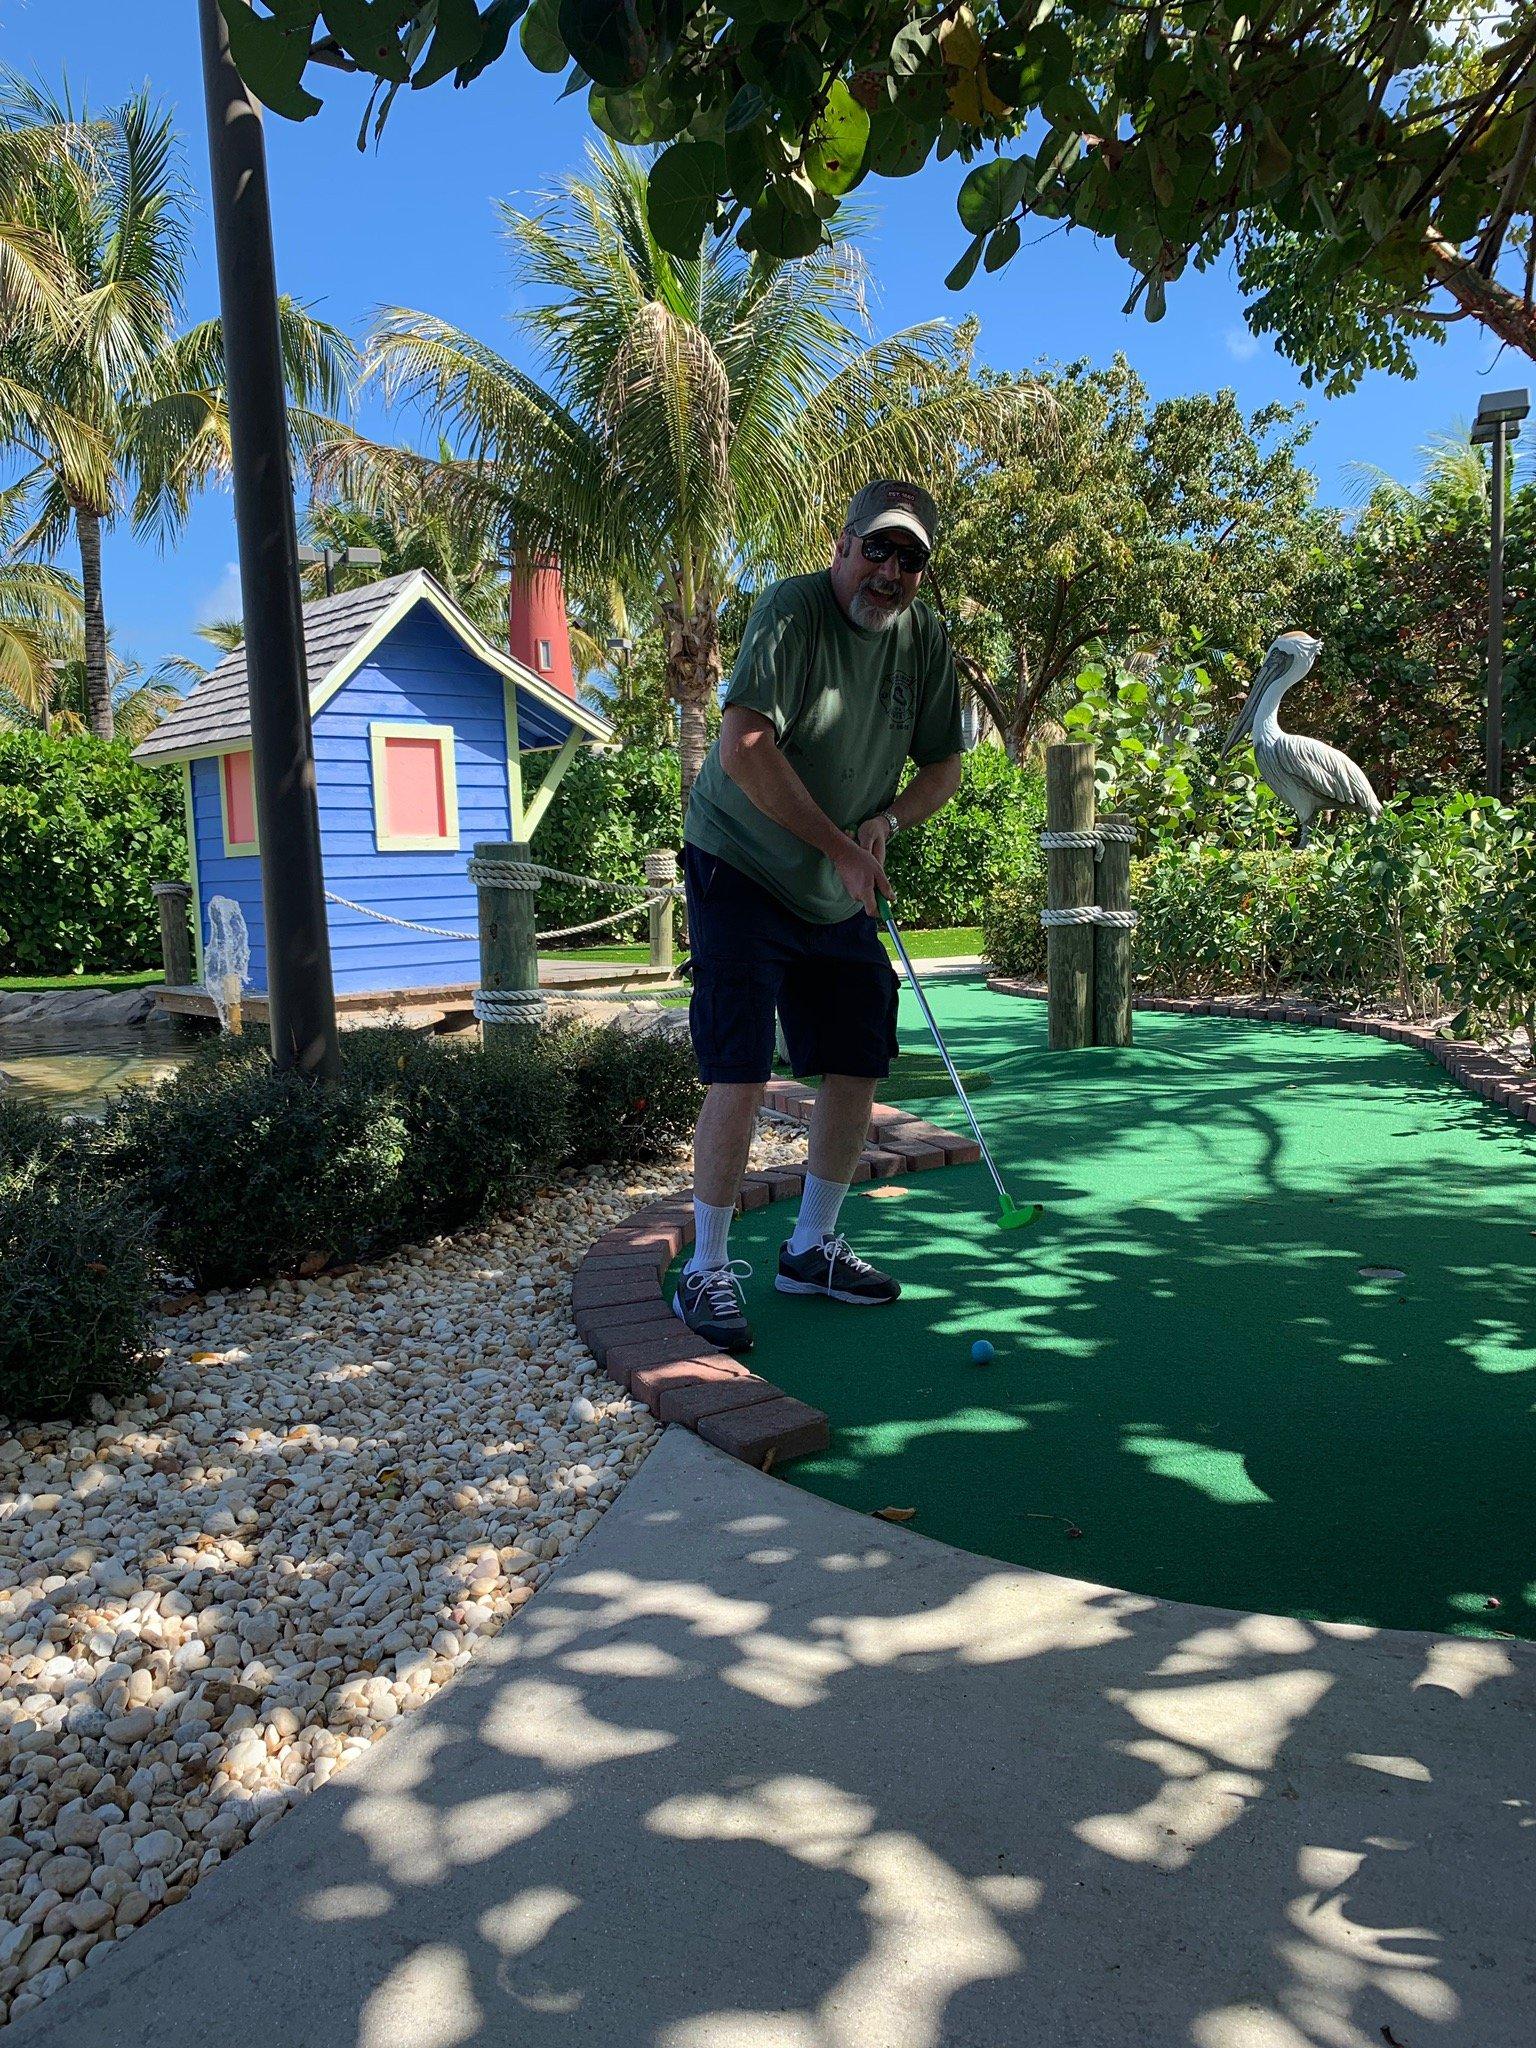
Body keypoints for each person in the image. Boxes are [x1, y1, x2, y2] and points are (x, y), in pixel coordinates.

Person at [673, 478, 965, 1354]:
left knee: (856, 1058)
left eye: (909, 557)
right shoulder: (792, 611)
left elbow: (944, 768)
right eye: (875, 548)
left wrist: (887, 822)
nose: (889, 569)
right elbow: (745, 746)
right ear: (841, 548)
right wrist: (841, 845)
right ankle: (708, 1268)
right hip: (740, 861)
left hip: (838, 882)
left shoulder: (926, 638)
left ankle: (811, 1248)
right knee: (739, 1067)